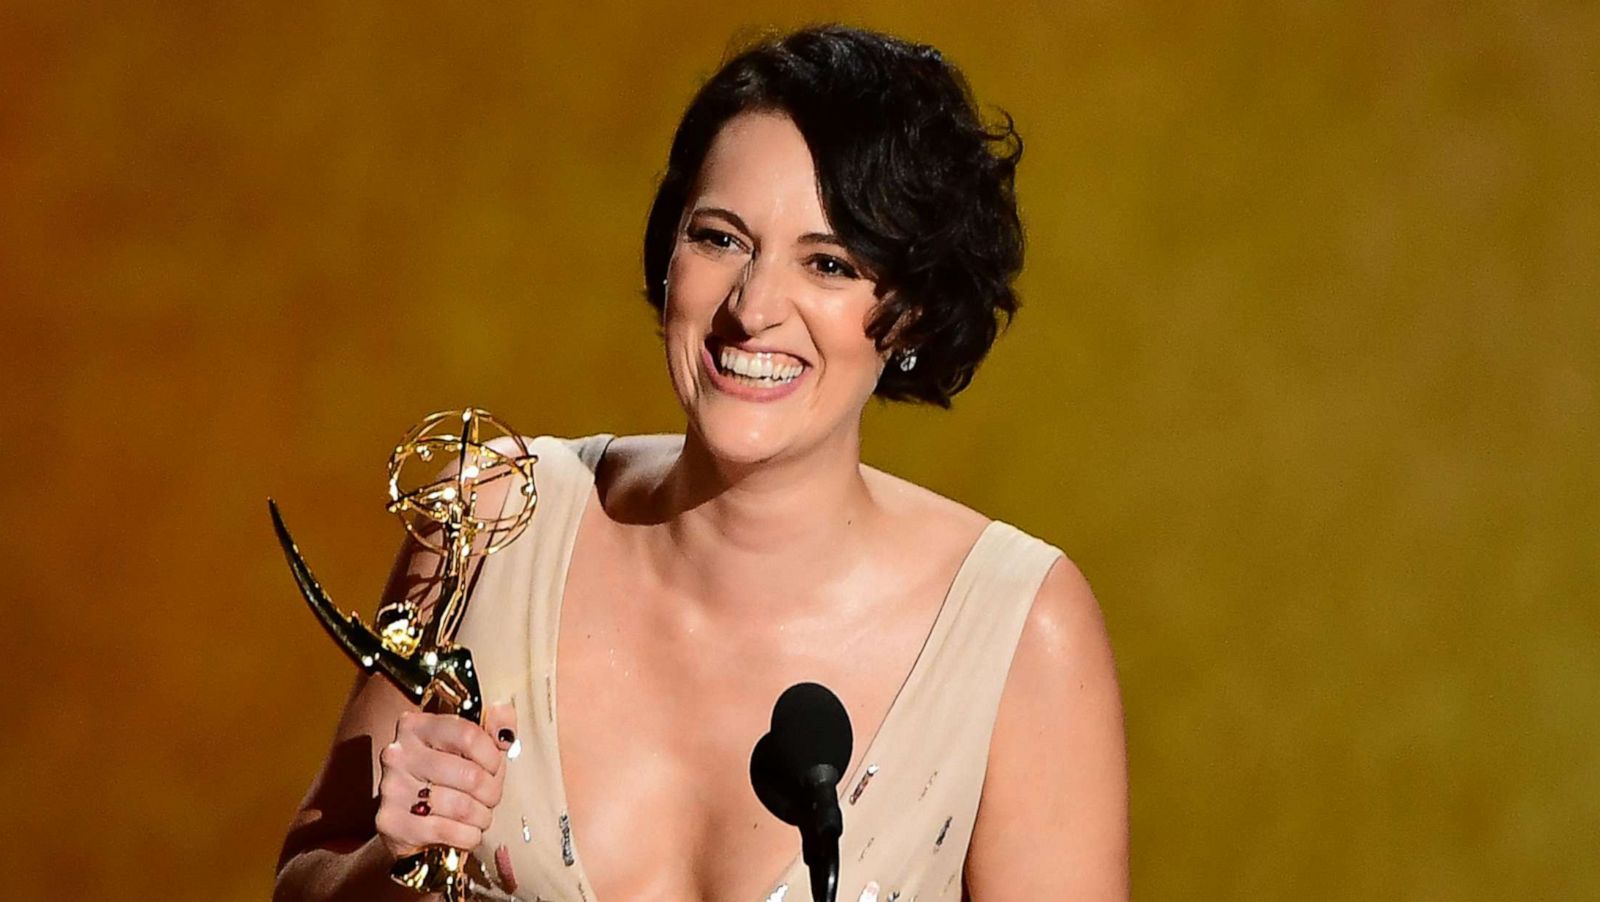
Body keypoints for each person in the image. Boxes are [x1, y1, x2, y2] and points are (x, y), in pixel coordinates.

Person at [274, 24, 1126, 902]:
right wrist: (400, 862)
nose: (753, 307)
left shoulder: (1022, 633)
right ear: (669, 246)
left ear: (908, 312)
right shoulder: (496, 519)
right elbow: (309, 881)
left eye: (827, 263)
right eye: (721, 239)